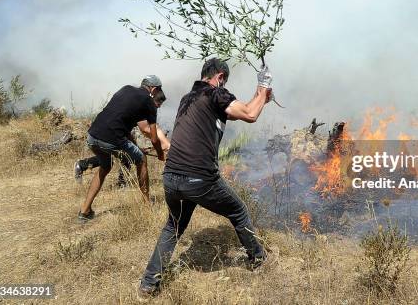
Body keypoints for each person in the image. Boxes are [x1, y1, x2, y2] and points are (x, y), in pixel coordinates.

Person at [138, 58, 273, 296]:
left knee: (173, 226)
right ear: (219, 77)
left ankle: (149, 283)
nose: (224, 86)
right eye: (225, 81)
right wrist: (263, 85)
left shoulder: (189, 99)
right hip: (199, 177)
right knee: (238, 211)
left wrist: (260, 96)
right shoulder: (214, 94)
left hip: (171, 177)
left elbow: (239, 112)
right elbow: (251, 115)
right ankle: (259, 259)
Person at [77, 75, 166, 222]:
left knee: (105, 166)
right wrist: (160, 153)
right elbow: (154, 138)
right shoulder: (149, 102)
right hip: (111, 139)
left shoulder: (126, 89)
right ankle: (146, 205)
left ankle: (84, 211)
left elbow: (122, 123)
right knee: (142, 160)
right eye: (158, 91)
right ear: (154, 89)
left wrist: (135, 148)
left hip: (92, 136)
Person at [73, 120, 171, 187]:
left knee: (110, 158)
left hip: (106, 132)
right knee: (123, 156)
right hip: (111, 134)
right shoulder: (135, 113)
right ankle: (121, 182)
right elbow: (128, 134)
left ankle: (82, 165)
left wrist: (137, 148)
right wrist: (137, 148)